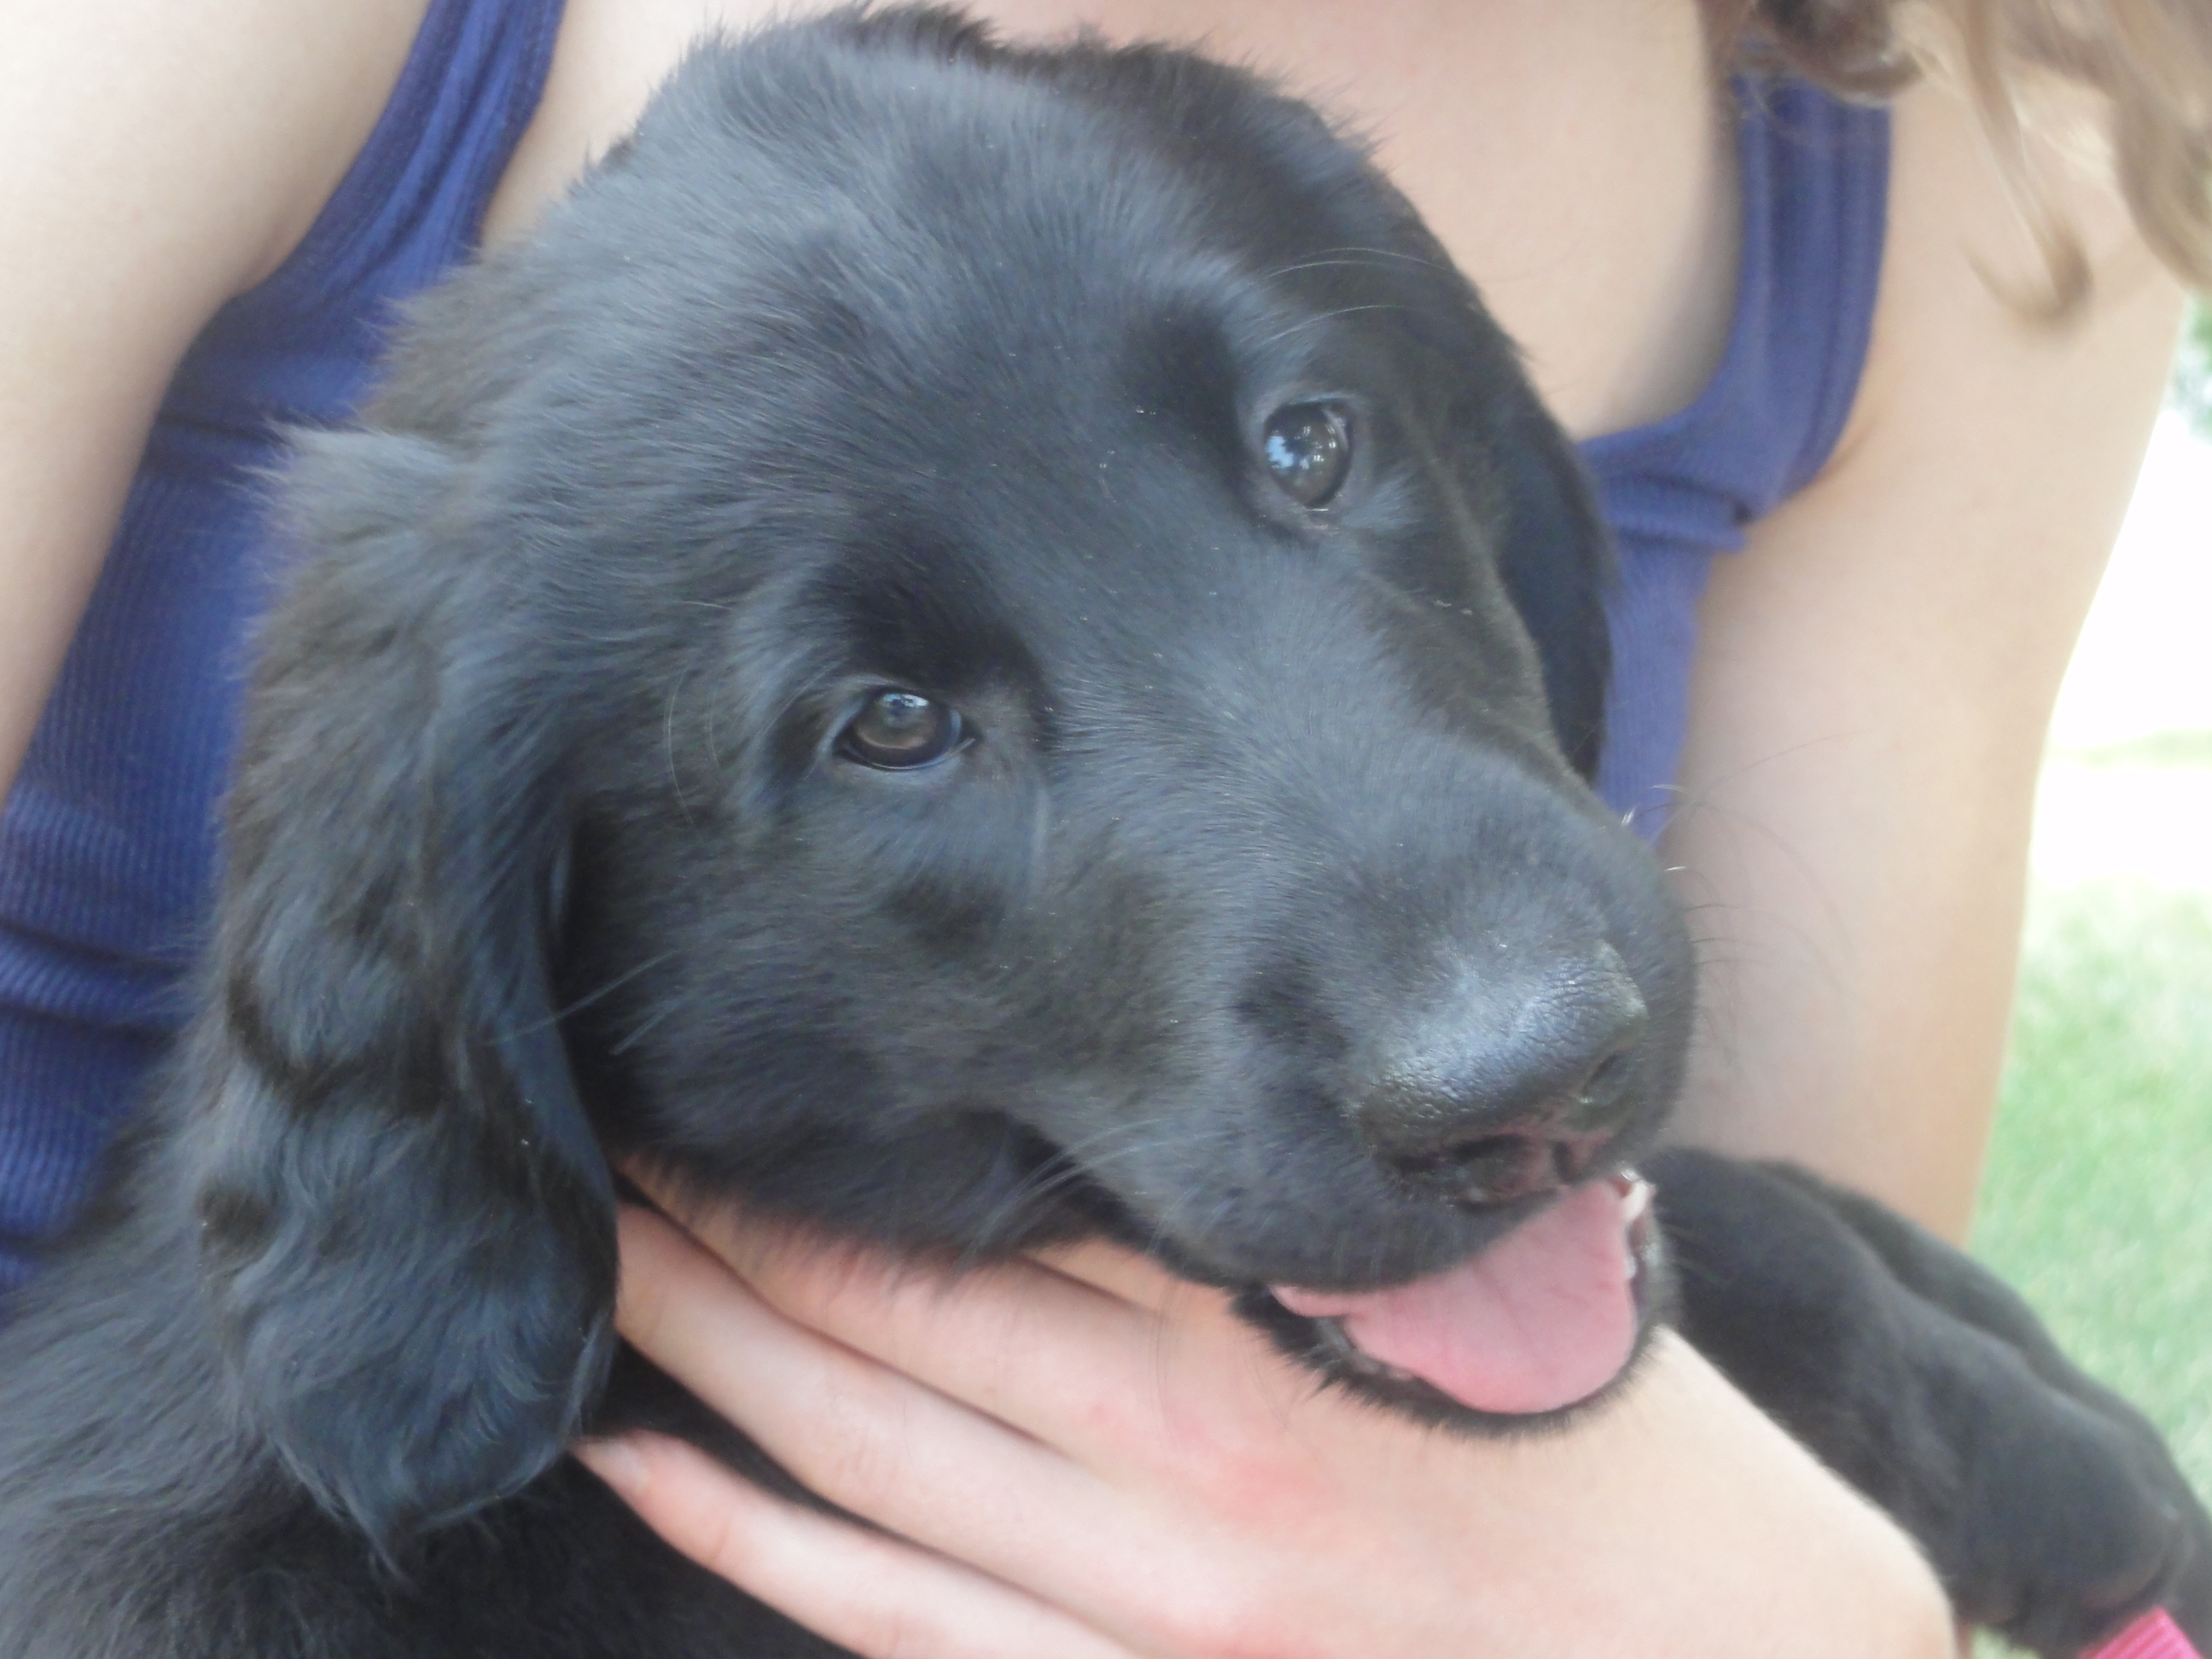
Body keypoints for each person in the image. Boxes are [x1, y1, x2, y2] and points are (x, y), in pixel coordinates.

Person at [1, 0, 2203, 1650]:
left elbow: (1620, 1440)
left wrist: (1823, 1585)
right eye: (885, 725)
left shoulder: (1984, 123)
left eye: (1311, 451)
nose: (1503, 1016)